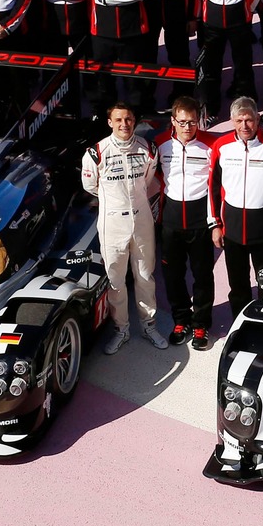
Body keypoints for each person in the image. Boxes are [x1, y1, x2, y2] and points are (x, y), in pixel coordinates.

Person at [82, 103, 166, 354]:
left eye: (128, 119)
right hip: (112, 223)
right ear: (109, 122)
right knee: (116, 280)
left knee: (145, 276)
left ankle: (149, 325)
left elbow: (147, 182)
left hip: (142, 221)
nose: (124, 124)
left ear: (134, 121)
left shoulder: (148, 149)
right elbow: (90, 186)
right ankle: (122, 329)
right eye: (118, 119)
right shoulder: (96, 152)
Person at [209, 98, 263, 314]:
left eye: (249, 120)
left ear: (257, 119)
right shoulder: (221, 147)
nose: (244, 126)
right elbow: (212, 188)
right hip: (232, 231)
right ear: (232, 121)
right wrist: (215, 225)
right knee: (237, 286)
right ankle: (239, 323)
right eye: (239, 120)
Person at [156, 95, 217, 349]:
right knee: (173, 274)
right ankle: (181, 320)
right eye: (182, 122)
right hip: (170, 218)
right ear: (173, 120)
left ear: (199, 121)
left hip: (199, 218)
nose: (187, 127)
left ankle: (201, 324)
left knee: (203, 275)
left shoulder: (213, 144)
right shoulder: (159, 144)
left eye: (192, 122)